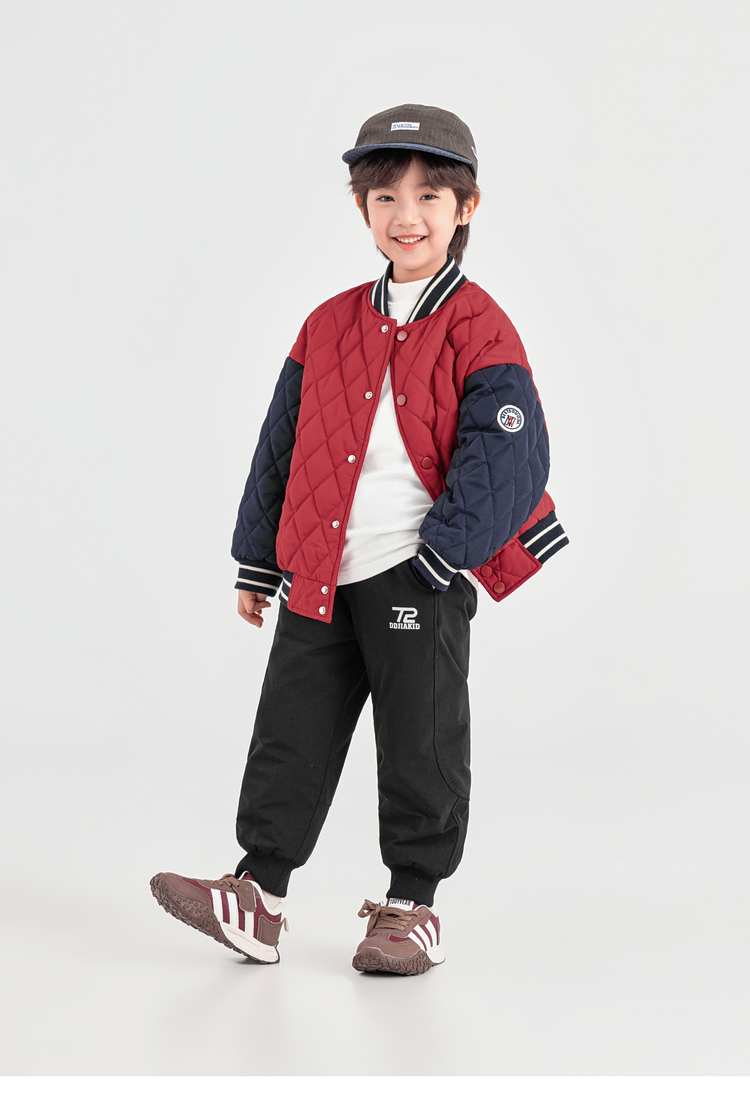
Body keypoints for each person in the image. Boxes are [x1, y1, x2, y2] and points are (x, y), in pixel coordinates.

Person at [150, 104, 568, 975]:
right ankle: (258, 894)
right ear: (361, 209)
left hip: (416, 569)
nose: (406, 215)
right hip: (318, 569)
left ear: (468, 207)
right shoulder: (328, 324)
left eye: (428, 196)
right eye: (385, 197)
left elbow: (511, 452)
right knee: (289, 728)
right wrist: (258, 558)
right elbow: (281, 445)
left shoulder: (480, 326)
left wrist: (442, 554)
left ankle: (412, 905)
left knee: (420, 739)